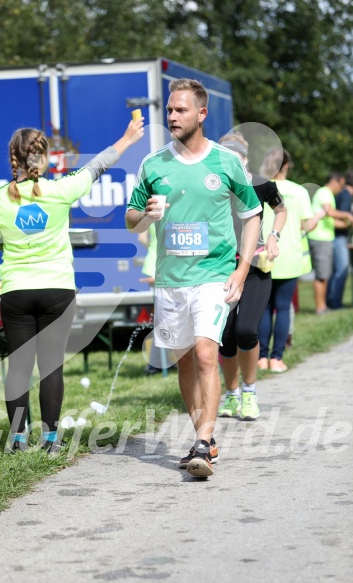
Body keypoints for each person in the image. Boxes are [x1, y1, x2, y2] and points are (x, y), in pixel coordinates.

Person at [0, 118, 144, 453]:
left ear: (13, 158)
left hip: (16, 291)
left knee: (20, 366)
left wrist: (13, 239)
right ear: (43, 157)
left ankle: (17, 440)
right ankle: (52, 441)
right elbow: (98, 165)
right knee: (51, 364)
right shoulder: (61, 190)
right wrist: (127, 139)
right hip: (58, 289)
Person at [126, 78, 261, 478]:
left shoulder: (225, 162)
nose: (172, 116)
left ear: (202, 114)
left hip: (213, 275)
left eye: (180, 110)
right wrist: (146, 215)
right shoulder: (154, 165)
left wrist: (242, 268)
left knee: (205, 354)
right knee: (184, 360)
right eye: (169, 110)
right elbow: (131, 220)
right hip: (170, 280)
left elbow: (251, 214)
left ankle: (202, 442)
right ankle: (203, 436)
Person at [217, 134, 287, 420]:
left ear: (244, 158)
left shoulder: (260, 183)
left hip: (255, 266)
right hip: (220, 268)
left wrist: (273, 236)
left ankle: (249, 392)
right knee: (225, 335)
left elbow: (280, 210)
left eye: (236, 156)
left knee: (246, 330)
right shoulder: (213, 184)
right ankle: (231, 395)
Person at [258, 148, 324, 372]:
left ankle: (261, 358)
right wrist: (319, 216)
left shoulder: (260, 187)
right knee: (283, 307)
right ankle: (277, 359)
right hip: (290, 256)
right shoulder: (298, 192)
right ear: (286, 166)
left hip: (264, 254)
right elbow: (307, 226)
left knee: (264, 308)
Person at [307, 172, 353, 314]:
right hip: (319, 237)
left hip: (325, 237)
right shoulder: (324, 192)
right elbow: (330, 213)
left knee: (325, 273)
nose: (341, 188)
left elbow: (331, 221)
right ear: (336, 181)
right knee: (322, 274)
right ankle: (321, 308)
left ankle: (325, 305)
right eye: (341, 184)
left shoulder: (327, 194)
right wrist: (348, 215)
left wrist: (347, 223)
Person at [138, 224, 175, 375]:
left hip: (154, 262)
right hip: (170, 263)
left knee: (163, 317)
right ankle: (157, 362)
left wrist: (153, 246)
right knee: (166, 318)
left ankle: (158, 361)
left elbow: (141, 237)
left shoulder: (153, 208)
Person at [326, 169, 353, 309]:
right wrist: (350, 222)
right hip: (339, 238)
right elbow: (341, 216)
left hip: (336, 238)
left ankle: (331, 302)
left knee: (336, 272)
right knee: (341, 271)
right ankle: (335, 303)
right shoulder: (347, 196)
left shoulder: (342, 193)